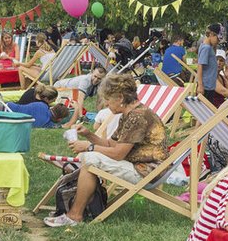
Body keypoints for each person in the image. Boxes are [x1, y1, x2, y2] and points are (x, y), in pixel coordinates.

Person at [44, 73, 169, 227]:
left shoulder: (138, 117)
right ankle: (77, 210)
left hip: (147, 171)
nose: (107, 105)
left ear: (120, 98)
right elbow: (111, 144)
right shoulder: (130, 114)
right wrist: (88, 134)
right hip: (140, 166)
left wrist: (89, 147)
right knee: (90, 157)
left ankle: (74, 215)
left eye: (108, 100)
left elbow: (118, 154)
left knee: (91, 159)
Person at [52, 64, 108, 129]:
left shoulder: (102, 83)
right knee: (68, 112)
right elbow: (80, 98)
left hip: (72, 95)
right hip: (60, 89)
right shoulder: (85, 80)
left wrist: (100, 115)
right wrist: (81, 116)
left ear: (103, 78)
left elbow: (99, 100)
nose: (95, 80)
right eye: (95, 76)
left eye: (99, 78)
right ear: (92, 73)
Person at [195, 24, 221, 103]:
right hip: (205, 86)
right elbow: (200, 66)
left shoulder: (209, 47)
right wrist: (200, 85)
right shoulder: (206, 48)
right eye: (218, 39)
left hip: (210, 85)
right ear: (211, 35)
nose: (218, 42)